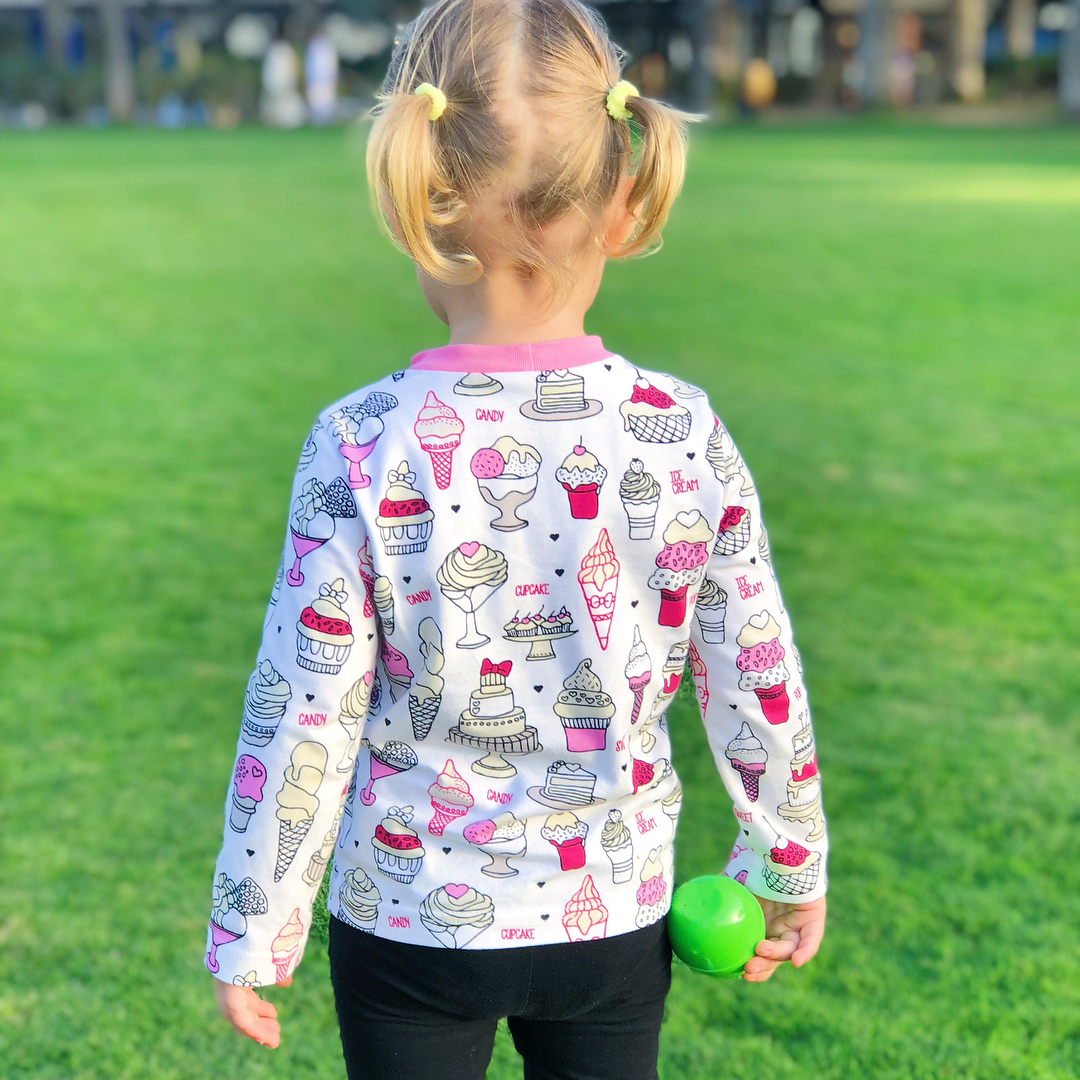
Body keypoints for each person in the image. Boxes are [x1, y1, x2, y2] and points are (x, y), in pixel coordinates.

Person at [207, 1, 828, 1076]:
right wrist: (788, 855)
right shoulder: (680, 431)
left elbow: (306, 704)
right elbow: (754, 669)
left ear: (416, 199)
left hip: (408, 923)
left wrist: (254, 921)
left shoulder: (360, 441)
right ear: (624, 202)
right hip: (612, 916)